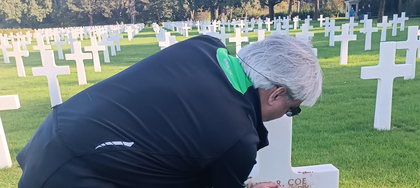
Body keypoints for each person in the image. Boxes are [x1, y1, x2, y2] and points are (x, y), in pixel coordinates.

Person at [17, 34, 323, 188]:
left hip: (54, 134)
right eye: (291, 110)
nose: (284, 116)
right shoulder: (238, 136)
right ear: (277, 94)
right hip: (80, 176)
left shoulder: (205, 46)